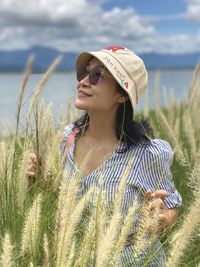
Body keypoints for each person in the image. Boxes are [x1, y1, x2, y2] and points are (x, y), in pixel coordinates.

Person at [28, 46, 182, 266]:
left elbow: (172, 205)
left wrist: (162, 220)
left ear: (122, 94)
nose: (82, 82)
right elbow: (70, 195)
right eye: (83, 73)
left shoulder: (146, 154)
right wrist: (44, 180)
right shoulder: (68, 139)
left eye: (97, 75)